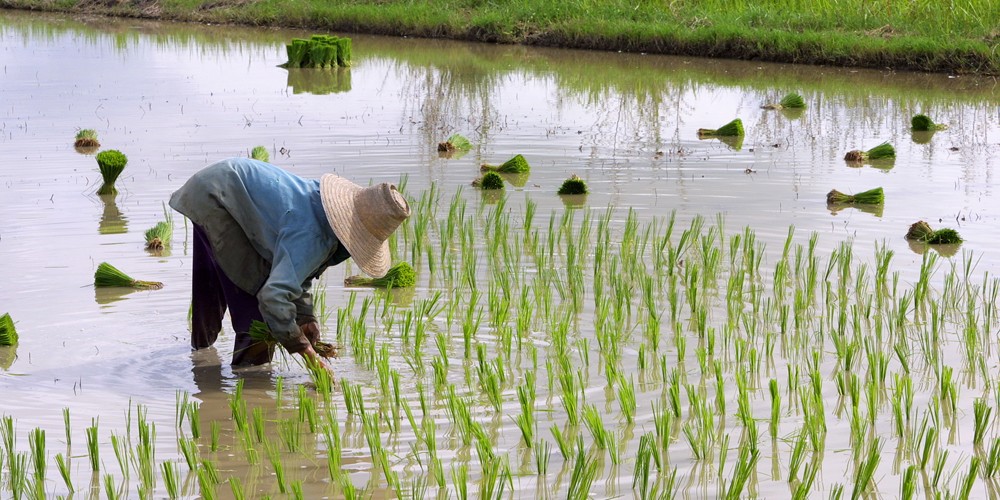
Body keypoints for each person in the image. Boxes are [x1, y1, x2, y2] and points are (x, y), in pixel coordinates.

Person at [169, 157, 411, 368]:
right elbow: (273, 297)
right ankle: (250, 377)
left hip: (215, 185)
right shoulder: (313, 234)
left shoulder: (320, 210)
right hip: (218, 199)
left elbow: (296, 270)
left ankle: (200, 361)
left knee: (219, 282)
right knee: (256, 303)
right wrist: (307, 353)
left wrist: (306, 318)